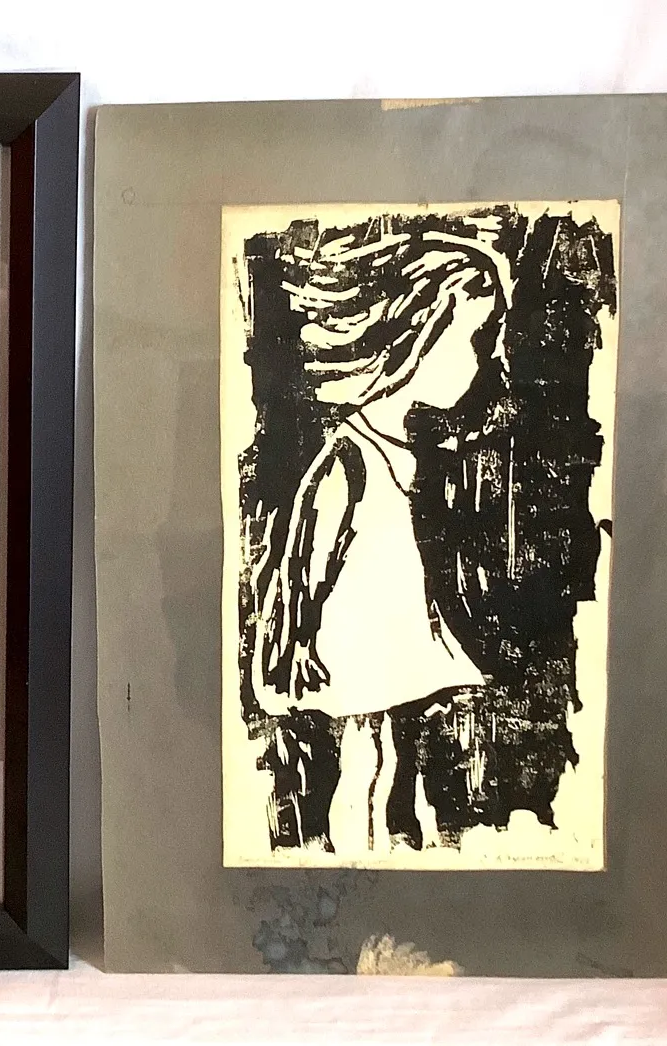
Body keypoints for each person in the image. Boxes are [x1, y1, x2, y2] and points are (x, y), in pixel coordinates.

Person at [250, 229, 505, 855]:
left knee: (390, 754)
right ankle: (354, 861)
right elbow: (304, 559)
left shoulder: (408, 449)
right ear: (422, 337)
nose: (487, 358)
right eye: (476, 338)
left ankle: (384, 856)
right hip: (350, 641)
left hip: (394, 634)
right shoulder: (349, 457)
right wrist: (296, 643)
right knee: (362, 757)